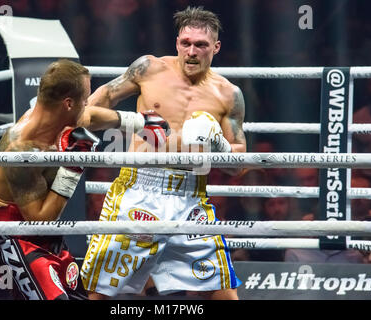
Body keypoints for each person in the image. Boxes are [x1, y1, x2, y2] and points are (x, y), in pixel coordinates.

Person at [79, 6, 246, 300]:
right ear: (177, 43)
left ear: (216, 47)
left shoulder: (228, 94)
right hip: (139, 188)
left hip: (191, 195)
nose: (191, 52)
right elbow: (91, 109)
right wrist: (134, 121)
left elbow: (237, 164)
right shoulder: (149, 68)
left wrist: (217, 143)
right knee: (101, 293)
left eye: (201, 45)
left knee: (224, 294)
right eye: (186, 43)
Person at [0, 59, 101, 300]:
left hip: (49, 238)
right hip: (14, 237)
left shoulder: (55, 118)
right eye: (85, 100)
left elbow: (95, 113)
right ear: (68, 103)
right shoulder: (20, 149)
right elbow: (40, 218)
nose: (87, 105)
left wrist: (136, 121)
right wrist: (72, 169)